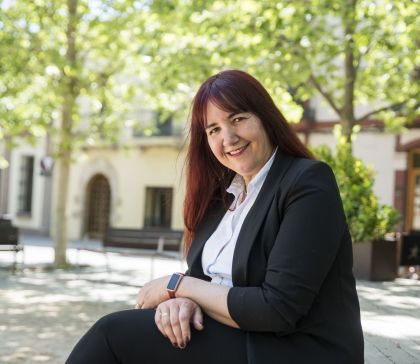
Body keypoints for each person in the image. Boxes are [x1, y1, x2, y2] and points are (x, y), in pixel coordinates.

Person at [66, 70, 364, 364]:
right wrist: (182, 302)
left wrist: (175, 286)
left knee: (112, 335)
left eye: (238, 119)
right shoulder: (221, 196)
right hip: (235, 335)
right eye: (214, 130)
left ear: (265, 118)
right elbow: (205, 279)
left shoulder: (307, 182)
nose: (229, 138)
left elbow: (277, 309)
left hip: (292, 348)